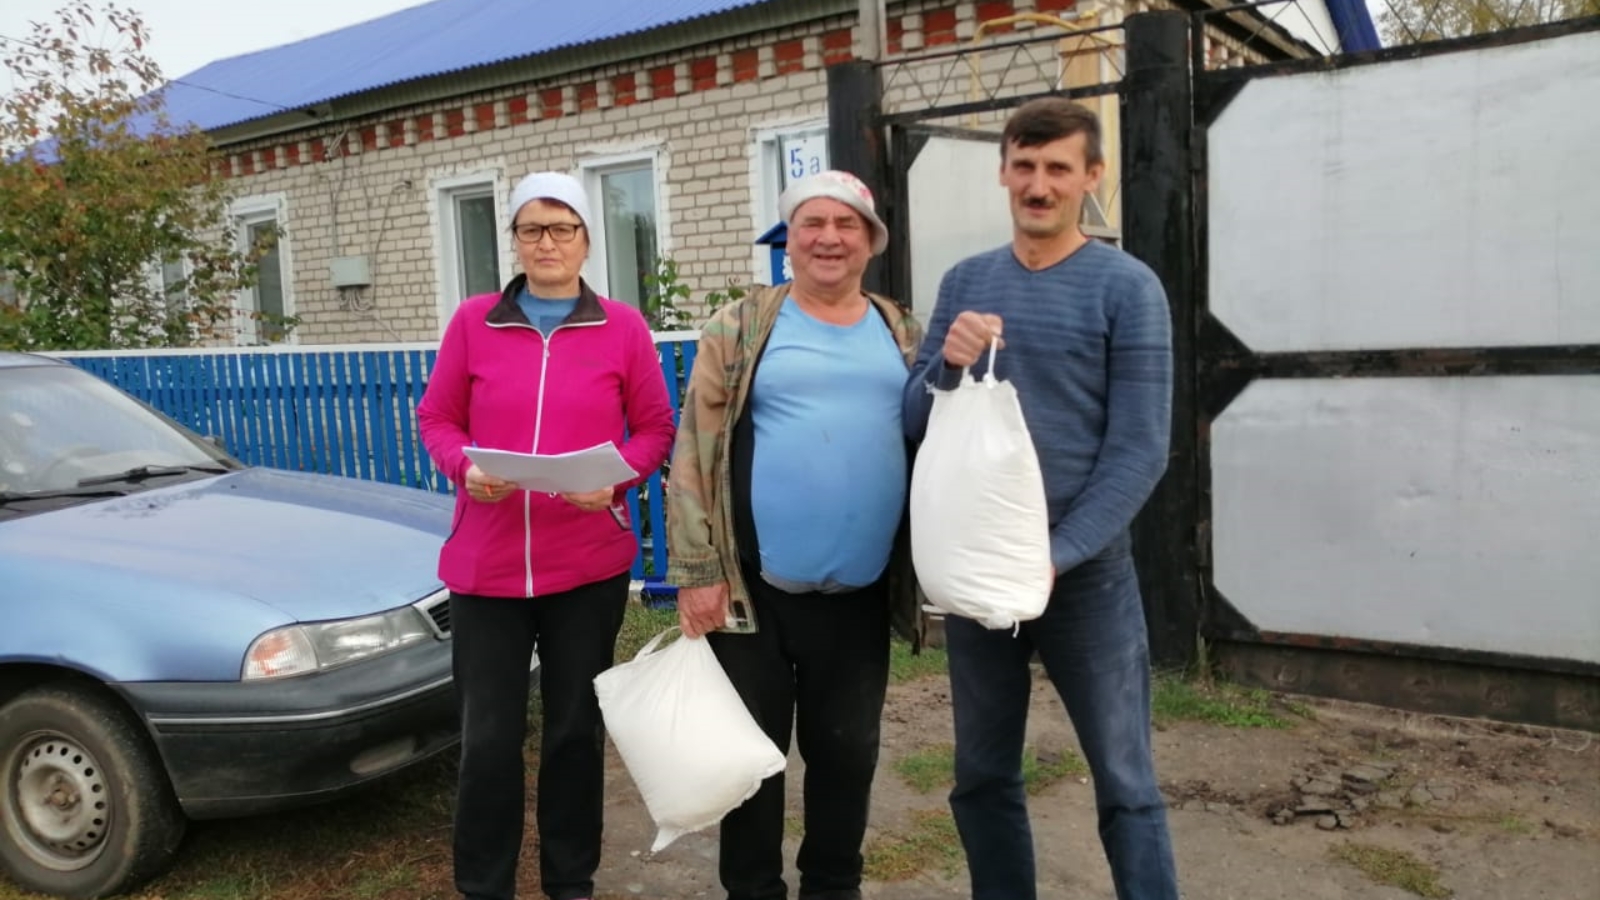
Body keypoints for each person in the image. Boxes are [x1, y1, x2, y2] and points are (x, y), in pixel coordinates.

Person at [902, 98, 1180, 900]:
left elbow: (1140, 451)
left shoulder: (1128, 288)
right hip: (980, 578)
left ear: (1092, 176)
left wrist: (1055, 556)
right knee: (982, 774)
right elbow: (913, 420)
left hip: (1084, 577)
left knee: (1125, 780)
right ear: (1003, 172)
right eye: (1024, 166)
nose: (1039, 184)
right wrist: (948, 366)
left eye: (1059, 168)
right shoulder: (965, 282)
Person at [665, 169, 925, 900]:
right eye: (813, 224)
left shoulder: (903, 331)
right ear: (789, 241)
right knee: (750, 762)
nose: (829, 238)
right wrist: (699, 572)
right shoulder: (741, 327)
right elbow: (694, 451)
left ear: (871, 241)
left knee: (848, 757)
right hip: (752, 594)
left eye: (847, 225)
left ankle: (833, 887)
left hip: (860, 595)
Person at [417, 171, 676, 900]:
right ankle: (484, 885)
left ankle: (570, 882)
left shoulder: (622, 327)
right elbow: (437, 418)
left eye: (563, 229)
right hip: (487, 566)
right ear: (515, 241)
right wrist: (464, 468)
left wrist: (616, 480)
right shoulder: (474, 321)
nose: (547, 243)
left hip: (586, 566)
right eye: (532, 229)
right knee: (488, 738)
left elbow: (655, 428)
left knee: (573, 731)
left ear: (586, 240)